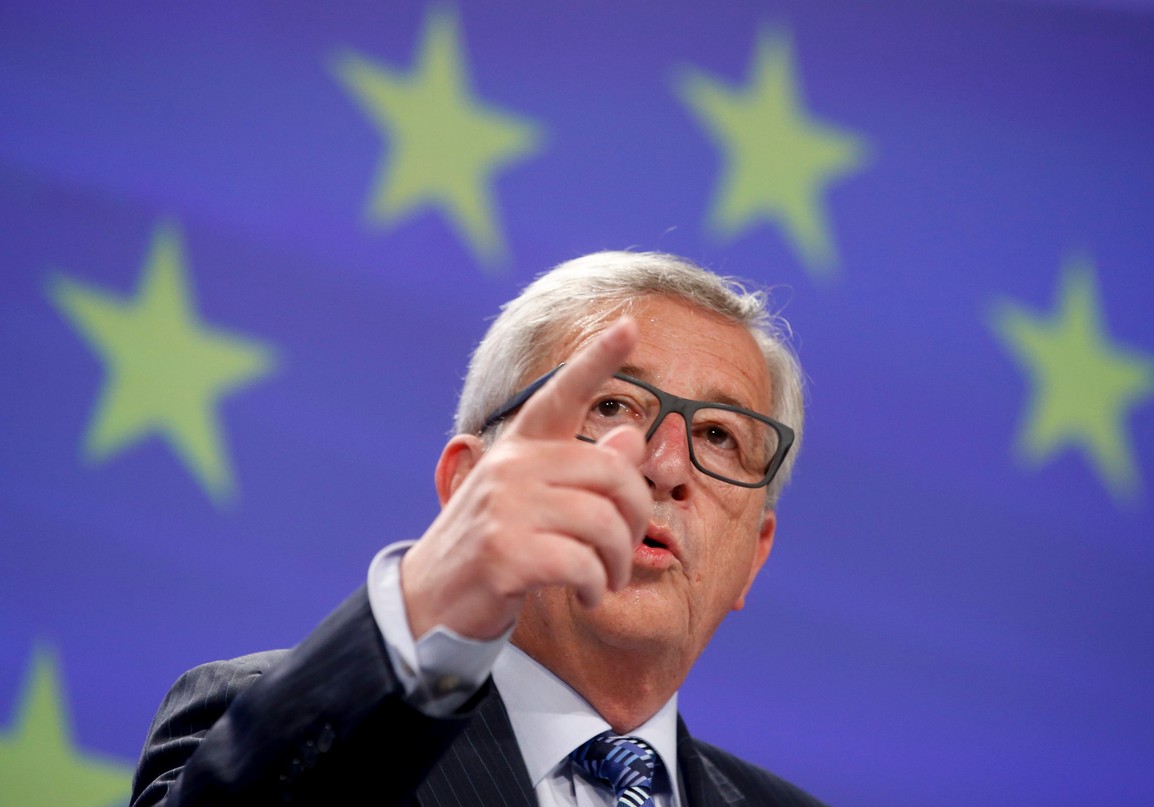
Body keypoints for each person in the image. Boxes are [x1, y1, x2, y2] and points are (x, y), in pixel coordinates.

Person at [130, 251, 826, 806]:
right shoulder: (277, 727)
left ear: (755, 556)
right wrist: (434, 597)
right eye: (612, 405)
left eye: (720, 435)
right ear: (467, 484)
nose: (667, 465)